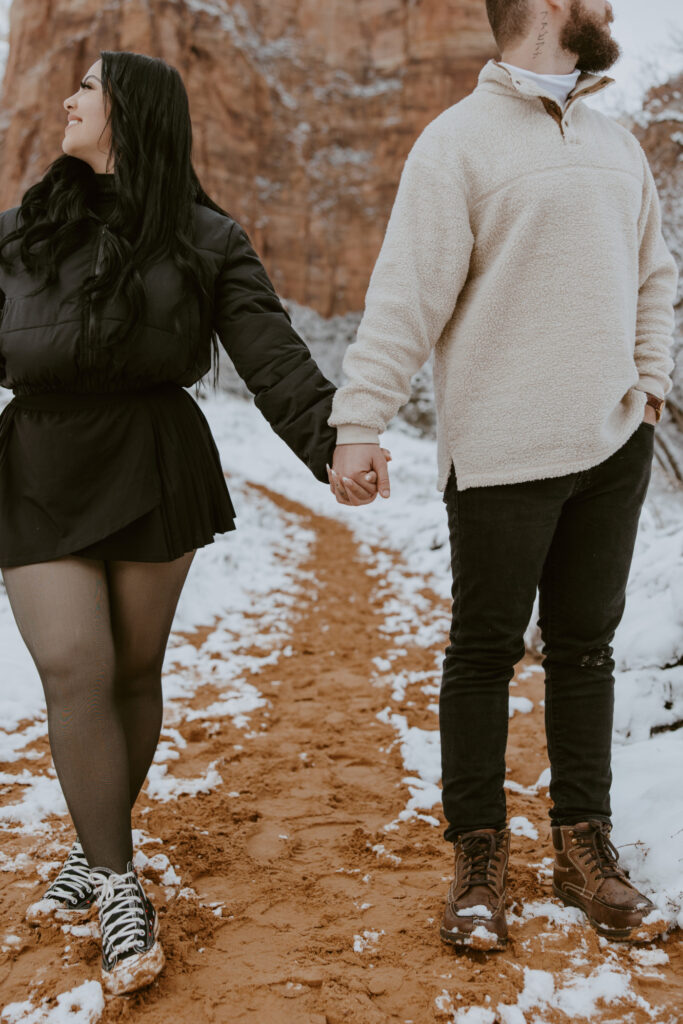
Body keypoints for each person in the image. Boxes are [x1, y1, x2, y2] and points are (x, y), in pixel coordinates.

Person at [0, 50, 377, 996]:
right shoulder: (18, 233)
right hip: (38, 461)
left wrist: (336, 442)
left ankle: (97, 847)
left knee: (132, 670)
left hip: (151, 459)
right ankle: (122, 884)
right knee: (76, 665)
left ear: (128, 112)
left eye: (86, 88)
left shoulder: (206, 238)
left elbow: (271, 353)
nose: (67, 100)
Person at [326, 0, 678, 951]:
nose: (609, 8)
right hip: (499, 449)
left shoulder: (614, 144)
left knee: (584, 650)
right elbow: (406, 292)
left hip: (612, 446)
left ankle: (582, 849)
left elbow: (656, 274)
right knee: (482, 652)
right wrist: (359, 419)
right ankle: (479, 859)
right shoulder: (457, 144)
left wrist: (647, 388)